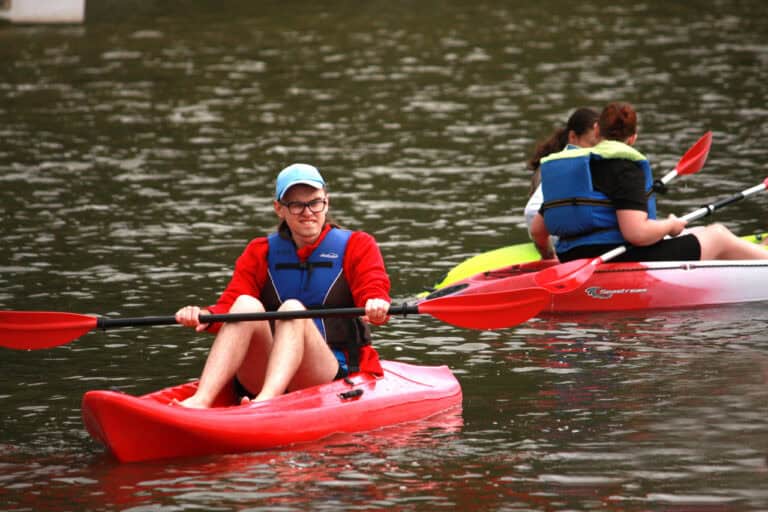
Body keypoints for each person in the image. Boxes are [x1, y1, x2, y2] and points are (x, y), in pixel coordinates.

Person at [173, 163, 392, 408]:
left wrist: (375, 303)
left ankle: (265, 403)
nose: (307, 211)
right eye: (296, 204)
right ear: (279, 209)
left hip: (327, 372)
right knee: (245, 304)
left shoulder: (358, 245)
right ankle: (201, 400)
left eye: (315, 202)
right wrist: (206, 315)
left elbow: (373, 286)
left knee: (291, 308)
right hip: (265, 369)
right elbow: (231, 301)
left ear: (326, 203)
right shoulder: (260, 251)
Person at [530, 102, 768, 263]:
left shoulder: (569, 166)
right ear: (632, 138)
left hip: (575, 258)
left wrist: (551, 259)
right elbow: (637, 234)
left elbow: (538, 231)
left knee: (699, 232)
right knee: (717, 235)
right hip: (619, 260)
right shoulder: (624, 166)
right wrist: (671, 225)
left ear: (597, 130)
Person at [523, 107, 600, 258]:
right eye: (592, 144)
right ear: (573, 137)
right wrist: (551, 254)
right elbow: (532, 212)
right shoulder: (563, 168)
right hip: (564, 249)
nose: (597, 150)